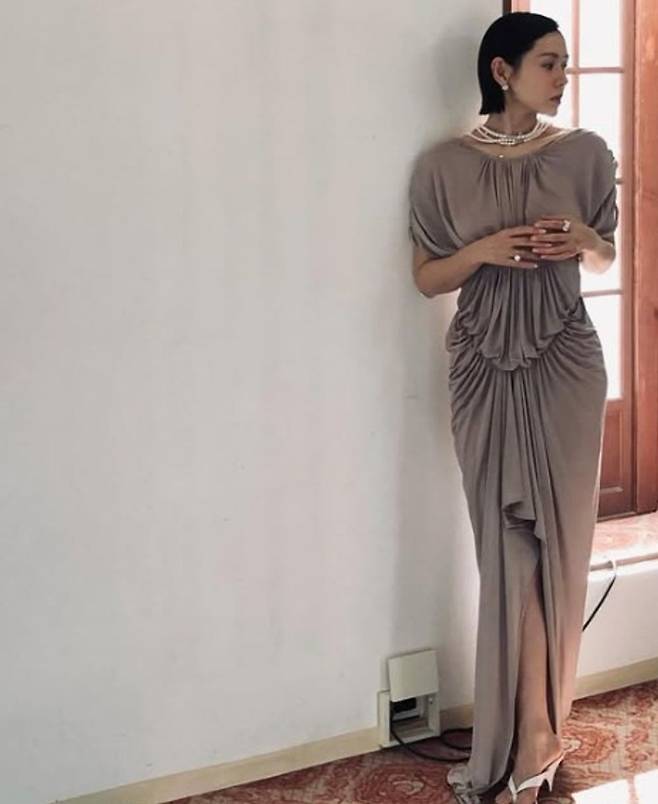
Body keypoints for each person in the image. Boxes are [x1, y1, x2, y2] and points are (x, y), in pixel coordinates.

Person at [407, 12, 618, 804]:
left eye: (565, 63)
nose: (562, 76)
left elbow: (607, 253)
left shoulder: (586, 152)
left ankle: (537, 734)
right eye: (548, 63)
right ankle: (524, 734)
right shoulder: (441, 167)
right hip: (483, 368)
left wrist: (584, 241)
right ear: (503, 71)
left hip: (564, 361)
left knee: (558, 546)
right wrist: (483, 252)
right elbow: (427, 278)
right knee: (505, 548)